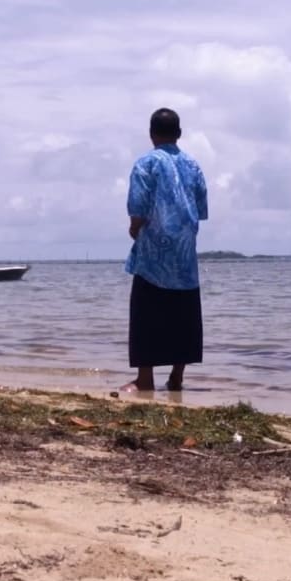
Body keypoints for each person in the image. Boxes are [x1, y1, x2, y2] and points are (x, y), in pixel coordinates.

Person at [122, 108, 208, 392]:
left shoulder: (145, 163)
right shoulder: (193, 166)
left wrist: (135, 229)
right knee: (182, 317)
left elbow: (138, 208)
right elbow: (201, 210)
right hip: (184, 258)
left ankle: (145, 379)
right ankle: (177, 377)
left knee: (146, 316)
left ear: (151, 134)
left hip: (153, 257)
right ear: (179, 134)